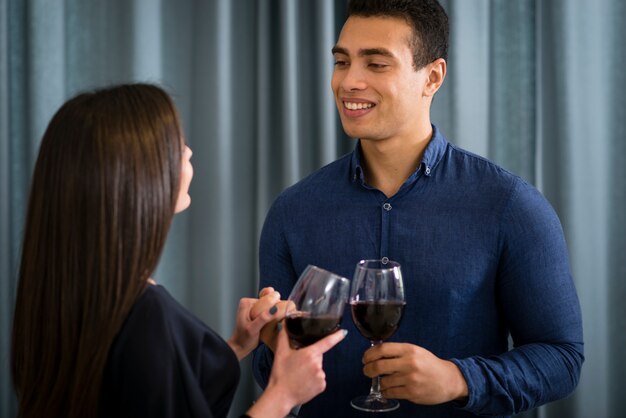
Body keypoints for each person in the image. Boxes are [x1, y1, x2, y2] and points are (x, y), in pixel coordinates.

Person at [252, 0, 584, 417]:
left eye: (376, 64)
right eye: (342, 61)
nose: (348, 81)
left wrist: (459, 379)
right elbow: (271, 378)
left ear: (432, 77)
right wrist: (272, 341)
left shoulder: (510, 205)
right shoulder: (292, 211)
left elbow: (563, 359)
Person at [10, 83, 346, 418]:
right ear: (136, 178)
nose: (188, 152)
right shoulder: (145, 314)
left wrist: (237, 345)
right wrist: (283, 394)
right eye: (175, 145)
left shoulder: (70, 292)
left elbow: (149, 395)